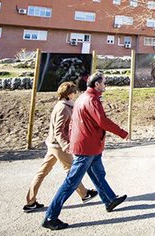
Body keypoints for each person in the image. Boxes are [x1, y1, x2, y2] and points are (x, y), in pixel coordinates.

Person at [41, 72, 129, 231]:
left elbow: (73, 123)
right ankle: (50, 216)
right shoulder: (92, 99)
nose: (105, 85)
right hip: (87, 147)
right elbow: (102, 121)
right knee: (71, 182)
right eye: (104, 83)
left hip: (89, 145)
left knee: (98, 174)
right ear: (97, 85)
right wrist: (122, 133)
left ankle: (109, 199)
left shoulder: (82, 98)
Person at [23, 82, 97, 212]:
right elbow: (58, 130)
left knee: (43, 172)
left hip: (53, 144)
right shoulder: (63, 107)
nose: (75, 94)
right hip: (58, 146)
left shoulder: (63, 105)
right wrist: (66, 145)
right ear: (69, 94)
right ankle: (84, 194)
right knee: (73, 171)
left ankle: (30, 202)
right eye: (74, 92)